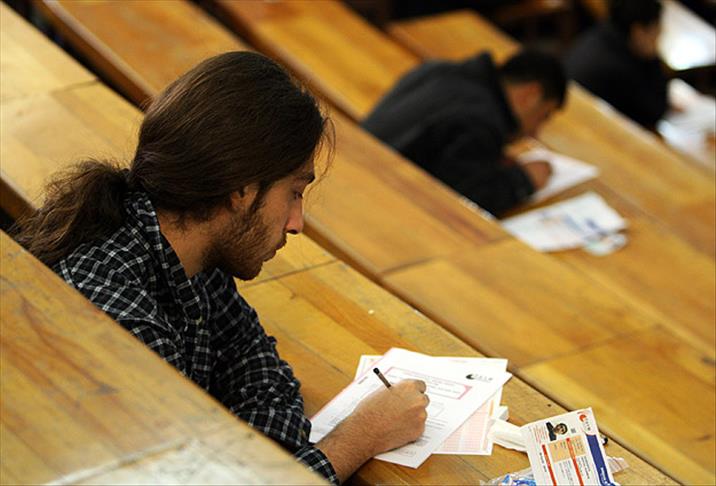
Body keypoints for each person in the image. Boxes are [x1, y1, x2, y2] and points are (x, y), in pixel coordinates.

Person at [12, 51, 429, 484]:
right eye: (293, 193)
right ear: (241, 191)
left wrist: (258, 461)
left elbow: (261, 369)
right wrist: (360, 436)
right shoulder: (116, 319)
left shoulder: (193, 253)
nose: (297, 223)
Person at [362, 49, 567, 216]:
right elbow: (467, 196)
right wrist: (524, 180)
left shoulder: (439, 69)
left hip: (358, 159)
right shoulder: (481, 119)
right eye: (543, 116)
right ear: (531, 94)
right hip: (376, 196)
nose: (535, 133)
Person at [565, 0, 667, 130]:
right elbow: (656, 111)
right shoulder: (619, 67)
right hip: (580, 125)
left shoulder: (602, 32)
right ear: (638, 31)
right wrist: (653, 57)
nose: (660, 34)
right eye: (657, 28)